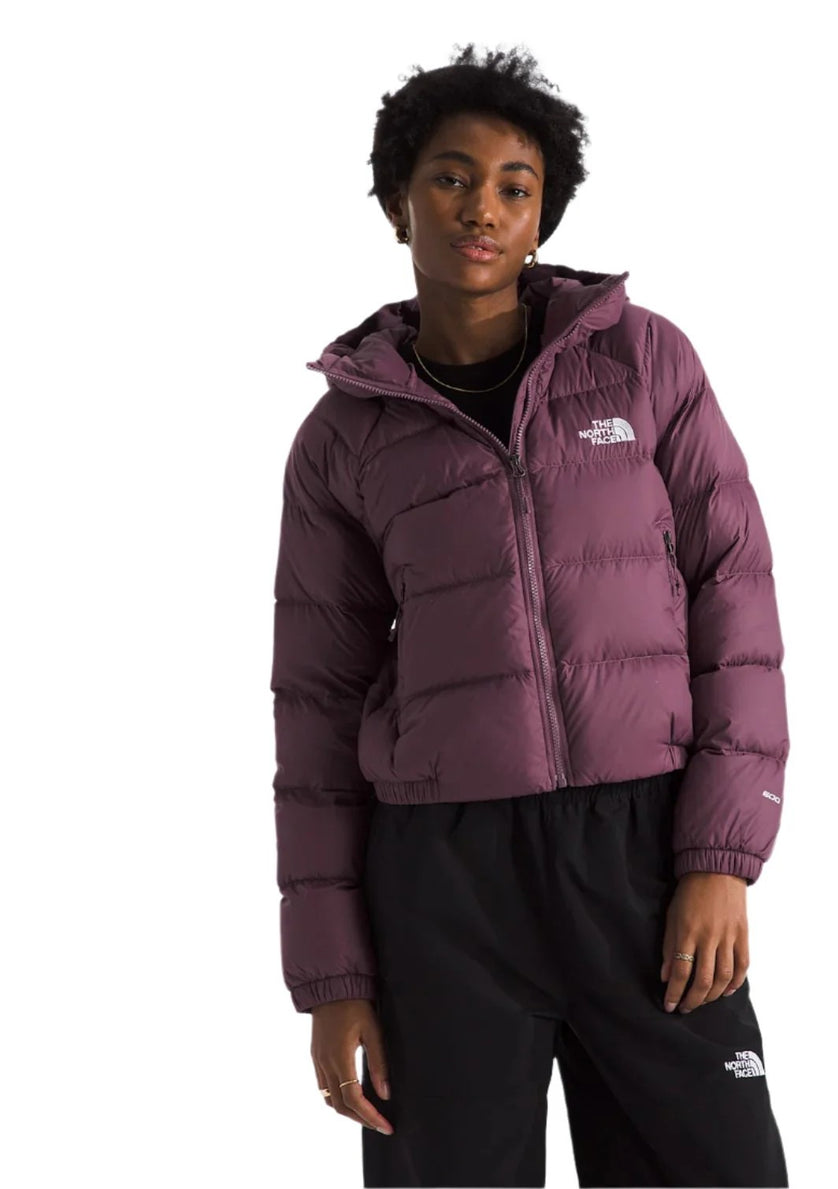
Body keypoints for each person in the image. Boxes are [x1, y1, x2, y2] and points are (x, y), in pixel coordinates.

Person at [270, 41, 790, 1189]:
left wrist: (719, 856)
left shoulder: (643, 363)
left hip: (640, 852)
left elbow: (734, 595)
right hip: (441, 878)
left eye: (515, 185)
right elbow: (313, 708)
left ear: (543, 211)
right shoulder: (345, 437)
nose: (483, 208)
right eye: (452, 178)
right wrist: (335, 978)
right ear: (397, 198)